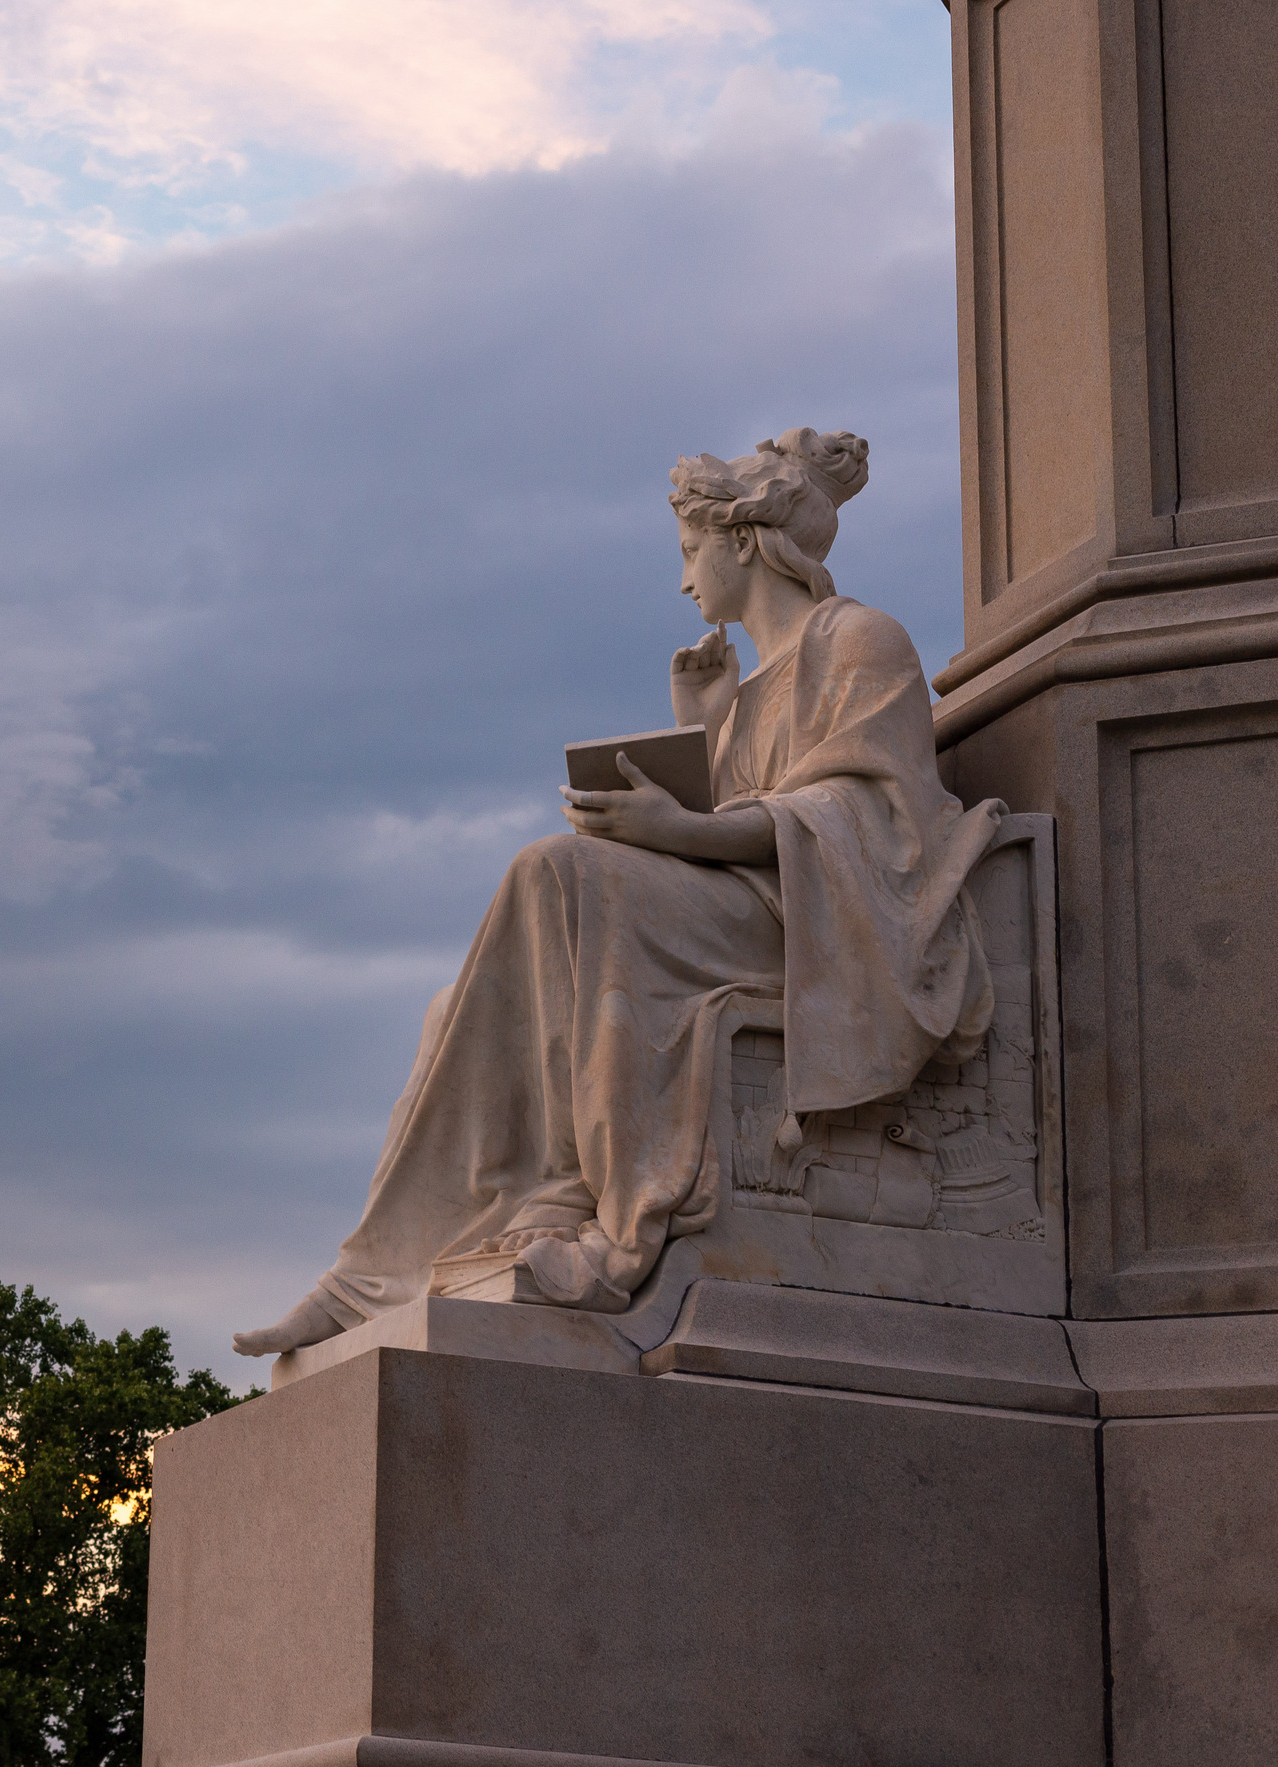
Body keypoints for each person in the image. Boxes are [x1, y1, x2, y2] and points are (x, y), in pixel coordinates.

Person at [235, 430, 1005, 1357]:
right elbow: (749, 810)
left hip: (825, 929)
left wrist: (679, 829)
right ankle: (456, 1234)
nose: (684, 581)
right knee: (462, 1002)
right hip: (742, 910)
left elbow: (864, 816)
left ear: (744, 541)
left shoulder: (861, 640)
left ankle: (504, 1224)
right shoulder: (749, 685)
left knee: (555, 871)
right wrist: (706, 728)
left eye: (690, 552)